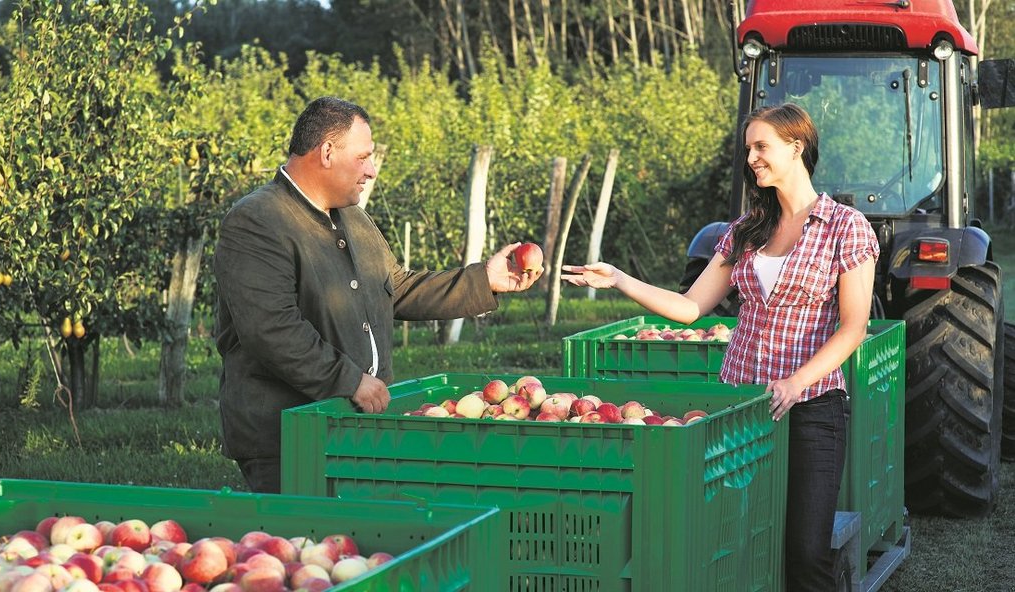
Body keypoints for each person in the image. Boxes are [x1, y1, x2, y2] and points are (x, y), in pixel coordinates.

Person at [562, 103, 878, 591]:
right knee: (740, 540)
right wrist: (620, 279)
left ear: (796, 147)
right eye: (747, 148)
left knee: (805, 551)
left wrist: (797, 382)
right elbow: (691, 307)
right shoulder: (746, 229)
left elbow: (854, 327)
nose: (750, 157)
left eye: (761, 146)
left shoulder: (846, 227)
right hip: (742, 408)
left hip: (812, 407)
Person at [213, 96, 541, 494]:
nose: (371, 170)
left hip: (354, 424)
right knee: (305, 543)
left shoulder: (353, 218)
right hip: (289, 437)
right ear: (328, 152)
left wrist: (483, 280)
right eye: (363, 157)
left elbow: (394, 289)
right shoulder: (258, 220)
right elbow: (271, 329)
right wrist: (349, 380)